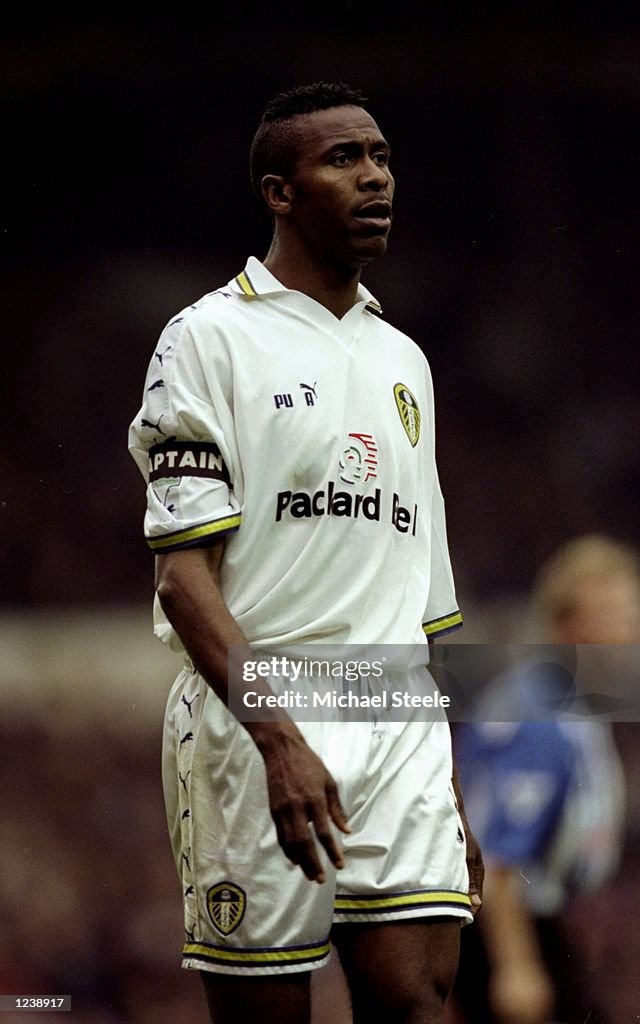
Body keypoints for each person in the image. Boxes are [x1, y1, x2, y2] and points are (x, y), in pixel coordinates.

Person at [129, 82, 482, 1024]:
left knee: (420, 998)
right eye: (343, 160)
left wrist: (448, 782)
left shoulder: (406, 359)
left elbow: (427, 597)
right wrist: (279, 738)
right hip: (262, 717)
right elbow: (183, 577)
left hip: (396, 711)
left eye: (381, 156)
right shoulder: (208, 337)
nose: (376, 178)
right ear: (279, 193)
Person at [451, 534, 636, 1024]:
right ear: (566, 625)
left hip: (548, 919)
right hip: (509, 929)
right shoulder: (540, 713)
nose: (628, 629)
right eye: (611, 615)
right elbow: (497, 855)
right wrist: (517, 968)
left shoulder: (576, 705)